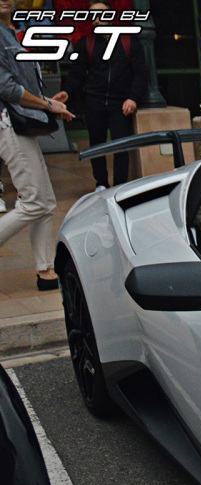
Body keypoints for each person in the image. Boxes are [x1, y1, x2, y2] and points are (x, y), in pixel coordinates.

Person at [0, 0, 75, 291]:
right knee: (33, 201)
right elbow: (6, 88)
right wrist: (47, 104)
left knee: (44, 203)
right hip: (8, 123)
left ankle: (46, 272)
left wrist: (48, 103)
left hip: (22, 121)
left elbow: (23, 85)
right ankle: (44, 269)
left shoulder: (14, 32)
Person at [63, 1, 146, 189]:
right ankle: (101, 183)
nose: (97, 18)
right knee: (96, 146)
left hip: (121, 104)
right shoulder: (86, 43)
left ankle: (119, 186)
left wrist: (133, 97)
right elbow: (76, 74)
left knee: (121, 146)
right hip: (94, 103)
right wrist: (67, 92)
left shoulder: (128, 42)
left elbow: (141, 72)